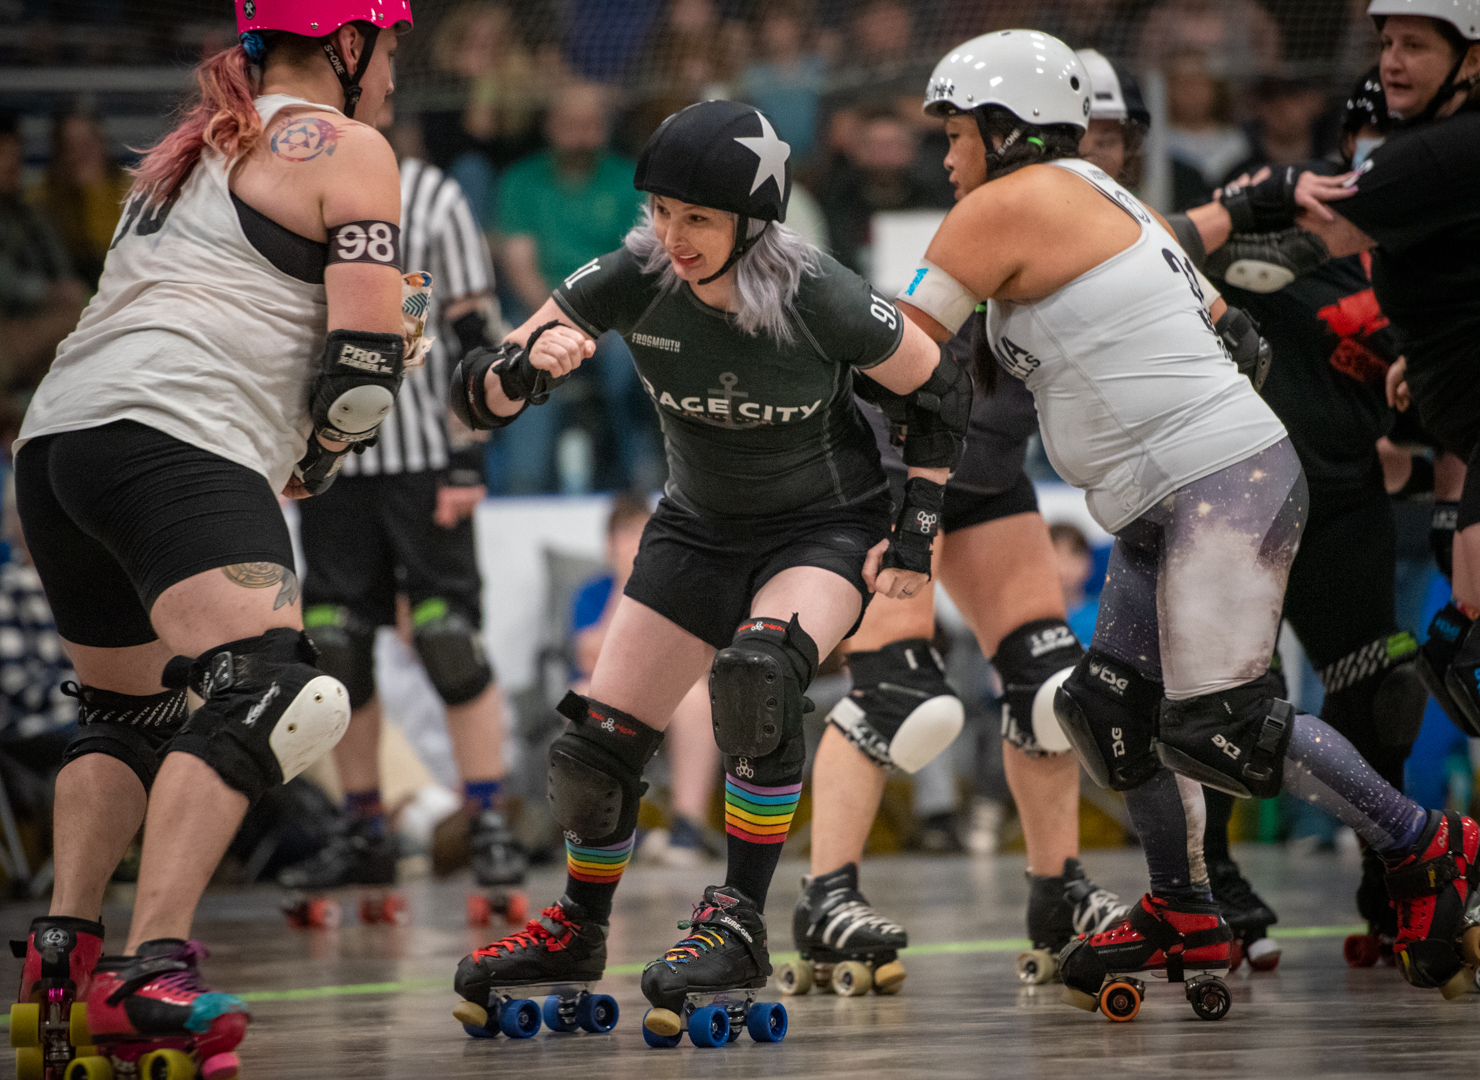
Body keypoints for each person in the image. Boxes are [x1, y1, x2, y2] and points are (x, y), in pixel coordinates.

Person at [902, 29, 1477, 1011]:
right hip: (1180, 487)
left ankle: (1428, 848)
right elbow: (1235, 334)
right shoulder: (1102, 191)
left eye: (954, 131)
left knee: (1223, 725)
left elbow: (902, 352)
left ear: (1003, 131)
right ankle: (1184, 907)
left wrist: (798, 310)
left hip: (1211, 485)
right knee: (1108, 708)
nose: (944, 154)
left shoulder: (998, 206)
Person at [447, 98, 971, 1043]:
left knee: (758, 680)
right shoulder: (632, 275)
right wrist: (525, 372)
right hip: (696, 526)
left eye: (698, 219)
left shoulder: (820, 293)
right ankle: (578, 927)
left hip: (822, 526)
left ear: (753, 223)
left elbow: (944, 390)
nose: (672, 238)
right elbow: (473, 400)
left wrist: (917, 535)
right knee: (596, 745)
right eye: (660, 211)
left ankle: (736, 917)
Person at [9, 2, 411, 1073]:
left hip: (57, 445)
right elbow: (365, 368)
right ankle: (150, 970)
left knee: (127, 711)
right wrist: (319, 458)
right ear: (345, 44)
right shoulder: (351, 148)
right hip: (171, 435)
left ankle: (64, 955)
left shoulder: (197, 146)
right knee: (274, 688)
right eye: (391, 44)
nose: (395, 69)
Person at [787, 52, 1144, 999]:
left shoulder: (1105, 222)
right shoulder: (994, 218)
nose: (940, 157)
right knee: (904, 696)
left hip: (986, 478)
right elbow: (901, 361)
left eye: (952, 137)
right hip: (899, 470)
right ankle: (825, 898)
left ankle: (1055, 890)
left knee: (1047, 686)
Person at [274, 118, 527, 906]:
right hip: (333, 464)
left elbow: (468, 331)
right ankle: (364, 829)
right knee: (339, 647)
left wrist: (468, 456)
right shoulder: (283, 190)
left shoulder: (431, 193)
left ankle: (485, 817)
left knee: (448, 637)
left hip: (424, 464)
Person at [1241, 3, 1480, 793]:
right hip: (1274, 495)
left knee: (1437, 664)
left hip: (1375, 489)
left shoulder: (1444, 166)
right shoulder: (1425, 168)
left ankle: (1420, 879)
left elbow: (1331, 227)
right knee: (1458, 647)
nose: (1393, 60)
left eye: (1415, 45)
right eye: (1385, 45)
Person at [495, 82, 654, 493]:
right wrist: (563, 321)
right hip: (539, 311)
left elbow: (637, 267)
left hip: (614, 320)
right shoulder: (521, 181)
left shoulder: (629, 180)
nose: (582, 136)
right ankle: (524, 490)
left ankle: (643, 483)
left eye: (591, 125)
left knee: (639, 358)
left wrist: (598, 323)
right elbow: (520, 267)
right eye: (571, 125)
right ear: (550, 126)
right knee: (523, 363)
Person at [571, 493, 719, 868]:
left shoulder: (677, 588)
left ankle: (688, 828)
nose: (637, 546)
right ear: (609, 546)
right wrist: (626, 581)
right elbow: (589, 658)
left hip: (667, 691)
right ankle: (613, 831)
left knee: (698, 698)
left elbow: (699, 656)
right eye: (627, 536)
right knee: (574, 700)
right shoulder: (592, 592)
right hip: (606, 692)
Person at [0, 113, 84, 402]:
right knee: (76, 324)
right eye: (3, 155)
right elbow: (7, 283)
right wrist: (49, 291)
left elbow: (62, 270)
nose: (11, 164)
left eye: (15, 154)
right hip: (8, 327)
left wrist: (64, 288)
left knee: (81, 324)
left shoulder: (29, 214)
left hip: (33, 324)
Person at [28, 110, 132, 290]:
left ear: (102, 143)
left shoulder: (130, 191)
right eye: (69, 145)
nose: (78, 154)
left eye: (86, 143)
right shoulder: (40, 198)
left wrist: (95, 189)